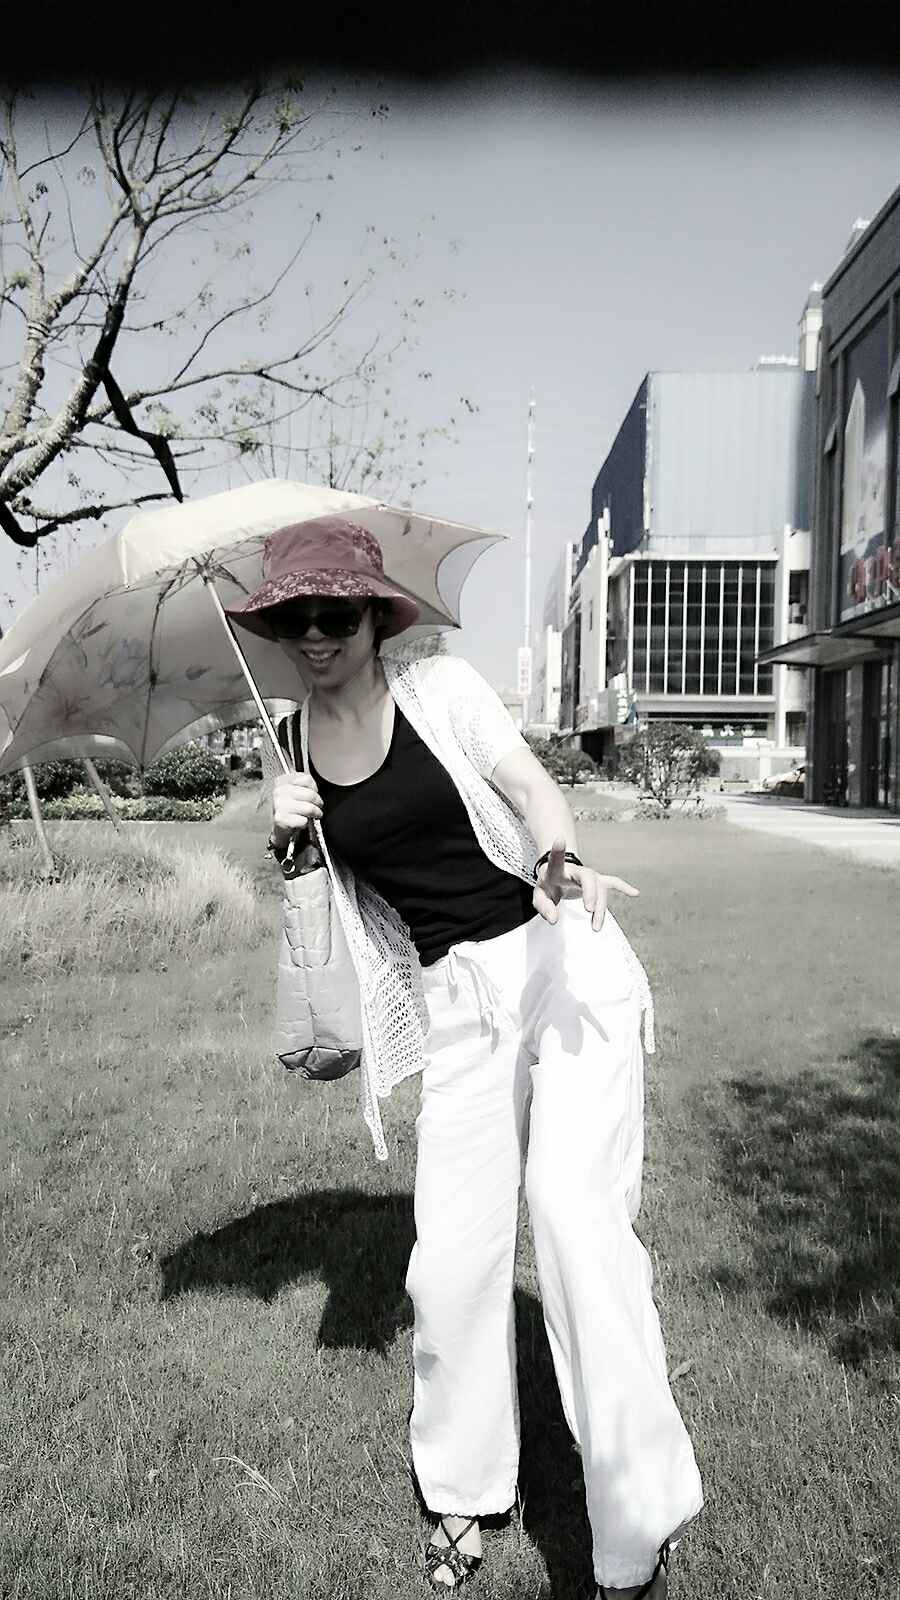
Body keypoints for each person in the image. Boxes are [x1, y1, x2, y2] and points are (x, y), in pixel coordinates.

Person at [227, 517, 704, 1599]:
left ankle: (635, 1526)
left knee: (576, 1221)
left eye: (334, 612)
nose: (315, 634)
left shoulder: (440, 689)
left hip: (557, 956)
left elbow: (530, 787)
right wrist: (287, 838)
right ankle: (462, 1489)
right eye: (294, 618)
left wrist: (559, 854)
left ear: (374, 615)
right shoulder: (288, 747)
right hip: (454, 1006)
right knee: (449, 1261)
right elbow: (320, 921)